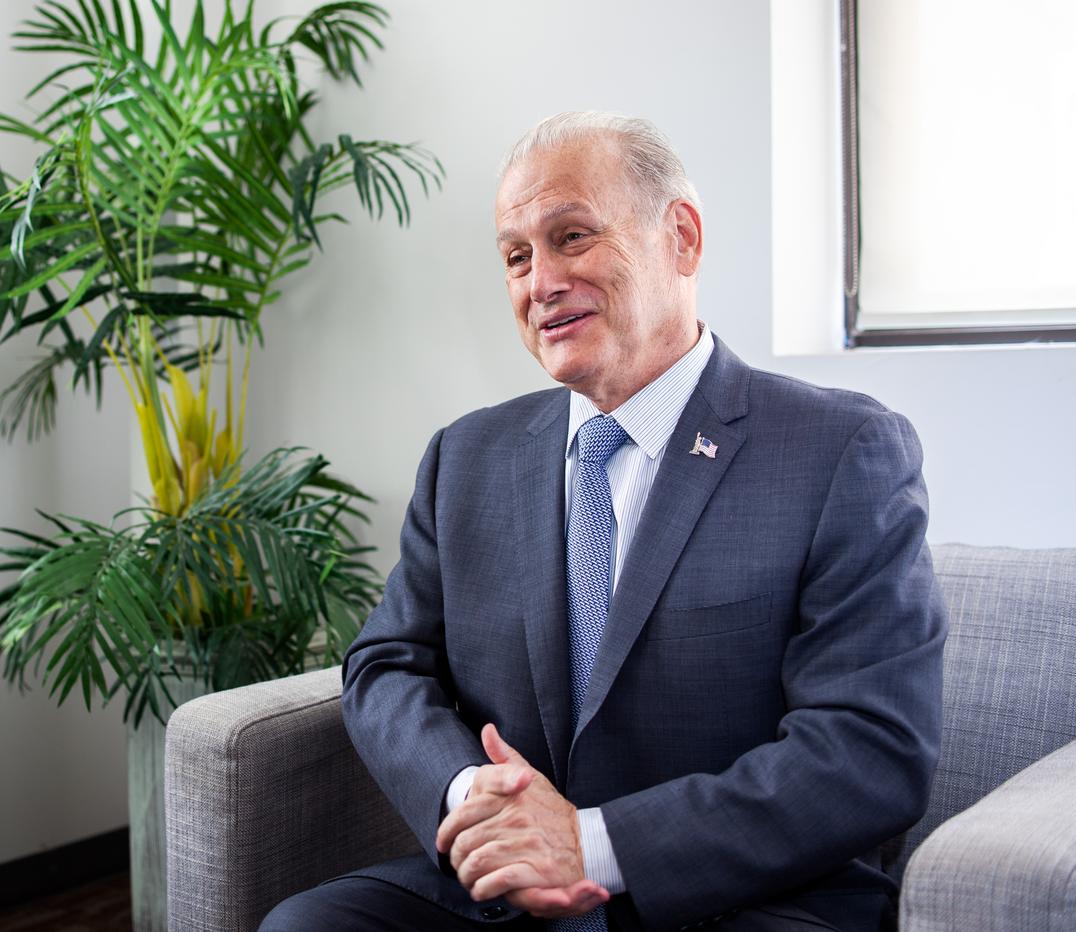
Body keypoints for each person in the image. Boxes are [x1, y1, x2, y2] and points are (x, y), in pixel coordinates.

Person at [260, 112, 947, 932]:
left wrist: (593, 844)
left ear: (681, 239)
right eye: (516, 256)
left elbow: (871, 752)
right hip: (498, 897)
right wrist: (473, 796)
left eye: (572, 237)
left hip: (741, 899)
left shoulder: (841, 450)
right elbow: (384, 664)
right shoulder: (466, 456)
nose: (539, 281)